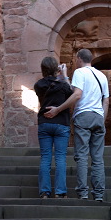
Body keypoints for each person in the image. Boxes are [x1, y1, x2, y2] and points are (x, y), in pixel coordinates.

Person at [44, 49, 109, 201]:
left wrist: (58, 109)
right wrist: (102, 120)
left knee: (81, 156)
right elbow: (106, 101)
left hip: (83, 116)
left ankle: (83, 193)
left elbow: (77, 94)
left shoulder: (80, 72)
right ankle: (99, 194)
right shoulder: (102, 76)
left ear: (79, 59)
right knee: (98, 158)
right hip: (99, 116)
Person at [34, 57, 73, 198]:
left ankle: (44, 192)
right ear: (56, 69)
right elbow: (72, 92)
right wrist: (64, 75)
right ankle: (60, 192)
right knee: (60, 158)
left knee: (45, 157)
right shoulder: (63, 85)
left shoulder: (38, 85)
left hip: (44, 122)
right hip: (61, 123)